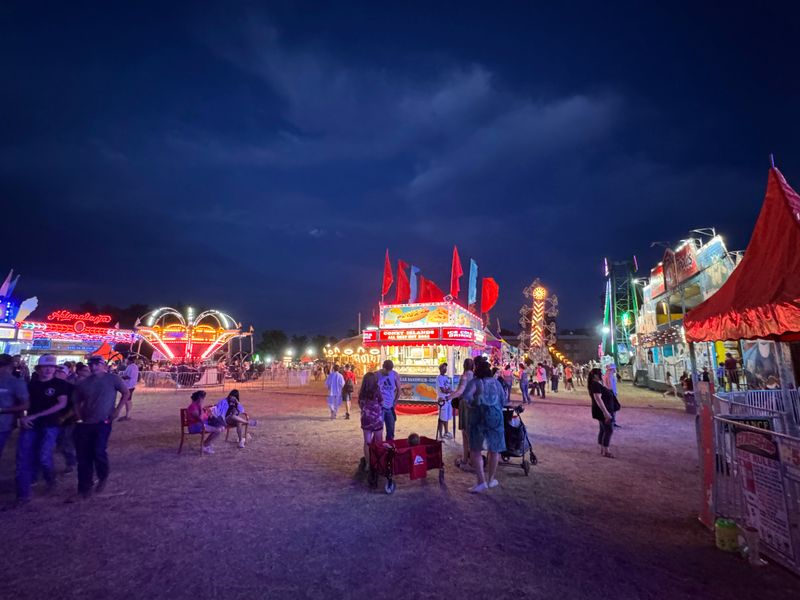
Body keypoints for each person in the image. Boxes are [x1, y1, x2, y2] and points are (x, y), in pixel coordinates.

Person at [70, 355, 130, 499]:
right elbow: (76, 401)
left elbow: (126, 393)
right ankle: (84, 488)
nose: (94, 367)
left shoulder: (113, 379)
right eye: (91, 364)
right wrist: (79, 416)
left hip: (103, 421)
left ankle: (102, 475)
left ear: (103, 365)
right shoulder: (84, 384)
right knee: (84, 456)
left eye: (97, 364)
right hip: (86, 423)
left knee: (98, 451)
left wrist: (117, 410)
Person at [15, 355, 70, 505]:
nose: (48, 370)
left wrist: (34, 416)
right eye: (45, 367)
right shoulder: (31, 385)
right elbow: (23, 403)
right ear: (38, 369)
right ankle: (24, 491)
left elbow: (61, 404)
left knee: (44, 456)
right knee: (24, 456)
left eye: (51, 367)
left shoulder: (60, 384)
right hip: (31, 424)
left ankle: (50, 480)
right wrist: (23, 418)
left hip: (49, 424)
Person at [460, 356, 506, 493]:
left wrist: (473, 404)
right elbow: (503, 400)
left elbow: (466, 397)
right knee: (494, 449)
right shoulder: (497, 383)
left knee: (475, 450)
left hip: (478, 418)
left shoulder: (475, 382)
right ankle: (491, 479)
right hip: (496, 418)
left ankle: (481, 481)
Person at [0, 353, 29, 461]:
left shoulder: (15, 383)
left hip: (4, 424)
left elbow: (26, 404)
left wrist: (3, 410)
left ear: (8, 367)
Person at [450, 358, 475, 470]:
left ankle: (466, 459)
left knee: (465, 433)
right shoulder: (474, 376)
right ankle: (470, 457)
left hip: (465, 405)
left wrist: (449, 397)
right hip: (473, 405)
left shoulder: (464, 376)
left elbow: (460, 391)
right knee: (470, 433)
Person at [588, 367, 617, 458]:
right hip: (603, 411)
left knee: (603, 429)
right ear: (596, 375)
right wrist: (605, 412)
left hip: (602, 410)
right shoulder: (595, 385)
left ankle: (602, 448)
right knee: (608, 430)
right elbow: (598, 398)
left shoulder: (596, 384)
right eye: (600, 373)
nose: (602, 375)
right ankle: (606, 450)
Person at [357, 371, 384, 470]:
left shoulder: (362, 392)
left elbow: (360, 405)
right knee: (379, 441)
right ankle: (379, 462)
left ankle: (368, 464)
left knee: (367, 442)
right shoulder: (377, 391)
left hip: (366, 419)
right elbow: (382, 402)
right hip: (377, 419)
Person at [54, 364, 77, 473]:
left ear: (66, 374)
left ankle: (70, 463)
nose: (57, 374)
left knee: (66, 443)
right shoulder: (49, 386)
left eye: (61, 372)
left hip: (66, 420)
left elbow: (75, 406)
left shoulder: (71, 388)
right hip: (51, 420)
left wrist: (64, 417)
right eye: (56, 372)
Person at [377, 360, 400, 441]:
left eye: (390, 370)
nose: (388, 372)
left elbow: (399, 389)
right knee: (378, 431)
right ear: (383, 367)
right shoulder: (377, 374)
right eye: (387, 370)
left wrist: (395, 402)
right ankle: (378, 450)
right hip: (380, 407)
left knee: (390, 432)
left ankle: (389, 450)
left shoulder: (395, 374)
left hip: (390, 407)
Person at [118, 357, 139, 421]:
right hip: (130, 385)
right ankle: (127, 415)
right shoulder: (133, 366)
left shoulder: (131, 367)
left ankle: (124, 415)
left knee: (125, 400)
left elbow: (128, 376)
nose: (125, 361)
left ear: (129, 360)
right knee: (128, 400)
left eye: (126, 360)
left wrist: (120, 377)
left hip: (129, 386)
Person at [436, 362, 453, 440]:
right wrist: (448, 391)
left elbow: (449, 388)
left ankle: (446, 432)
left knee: (446, 417)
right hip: (442, 400)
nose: (445, 369)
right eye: (443, 367)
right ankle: (440, 434)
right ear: (440, 369)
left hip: (448, 399)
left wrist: (449, 391)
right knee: (441, 418)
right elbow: (443, 390)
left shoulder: (446, 378)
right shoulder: (439, 378)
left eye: (446, 367)